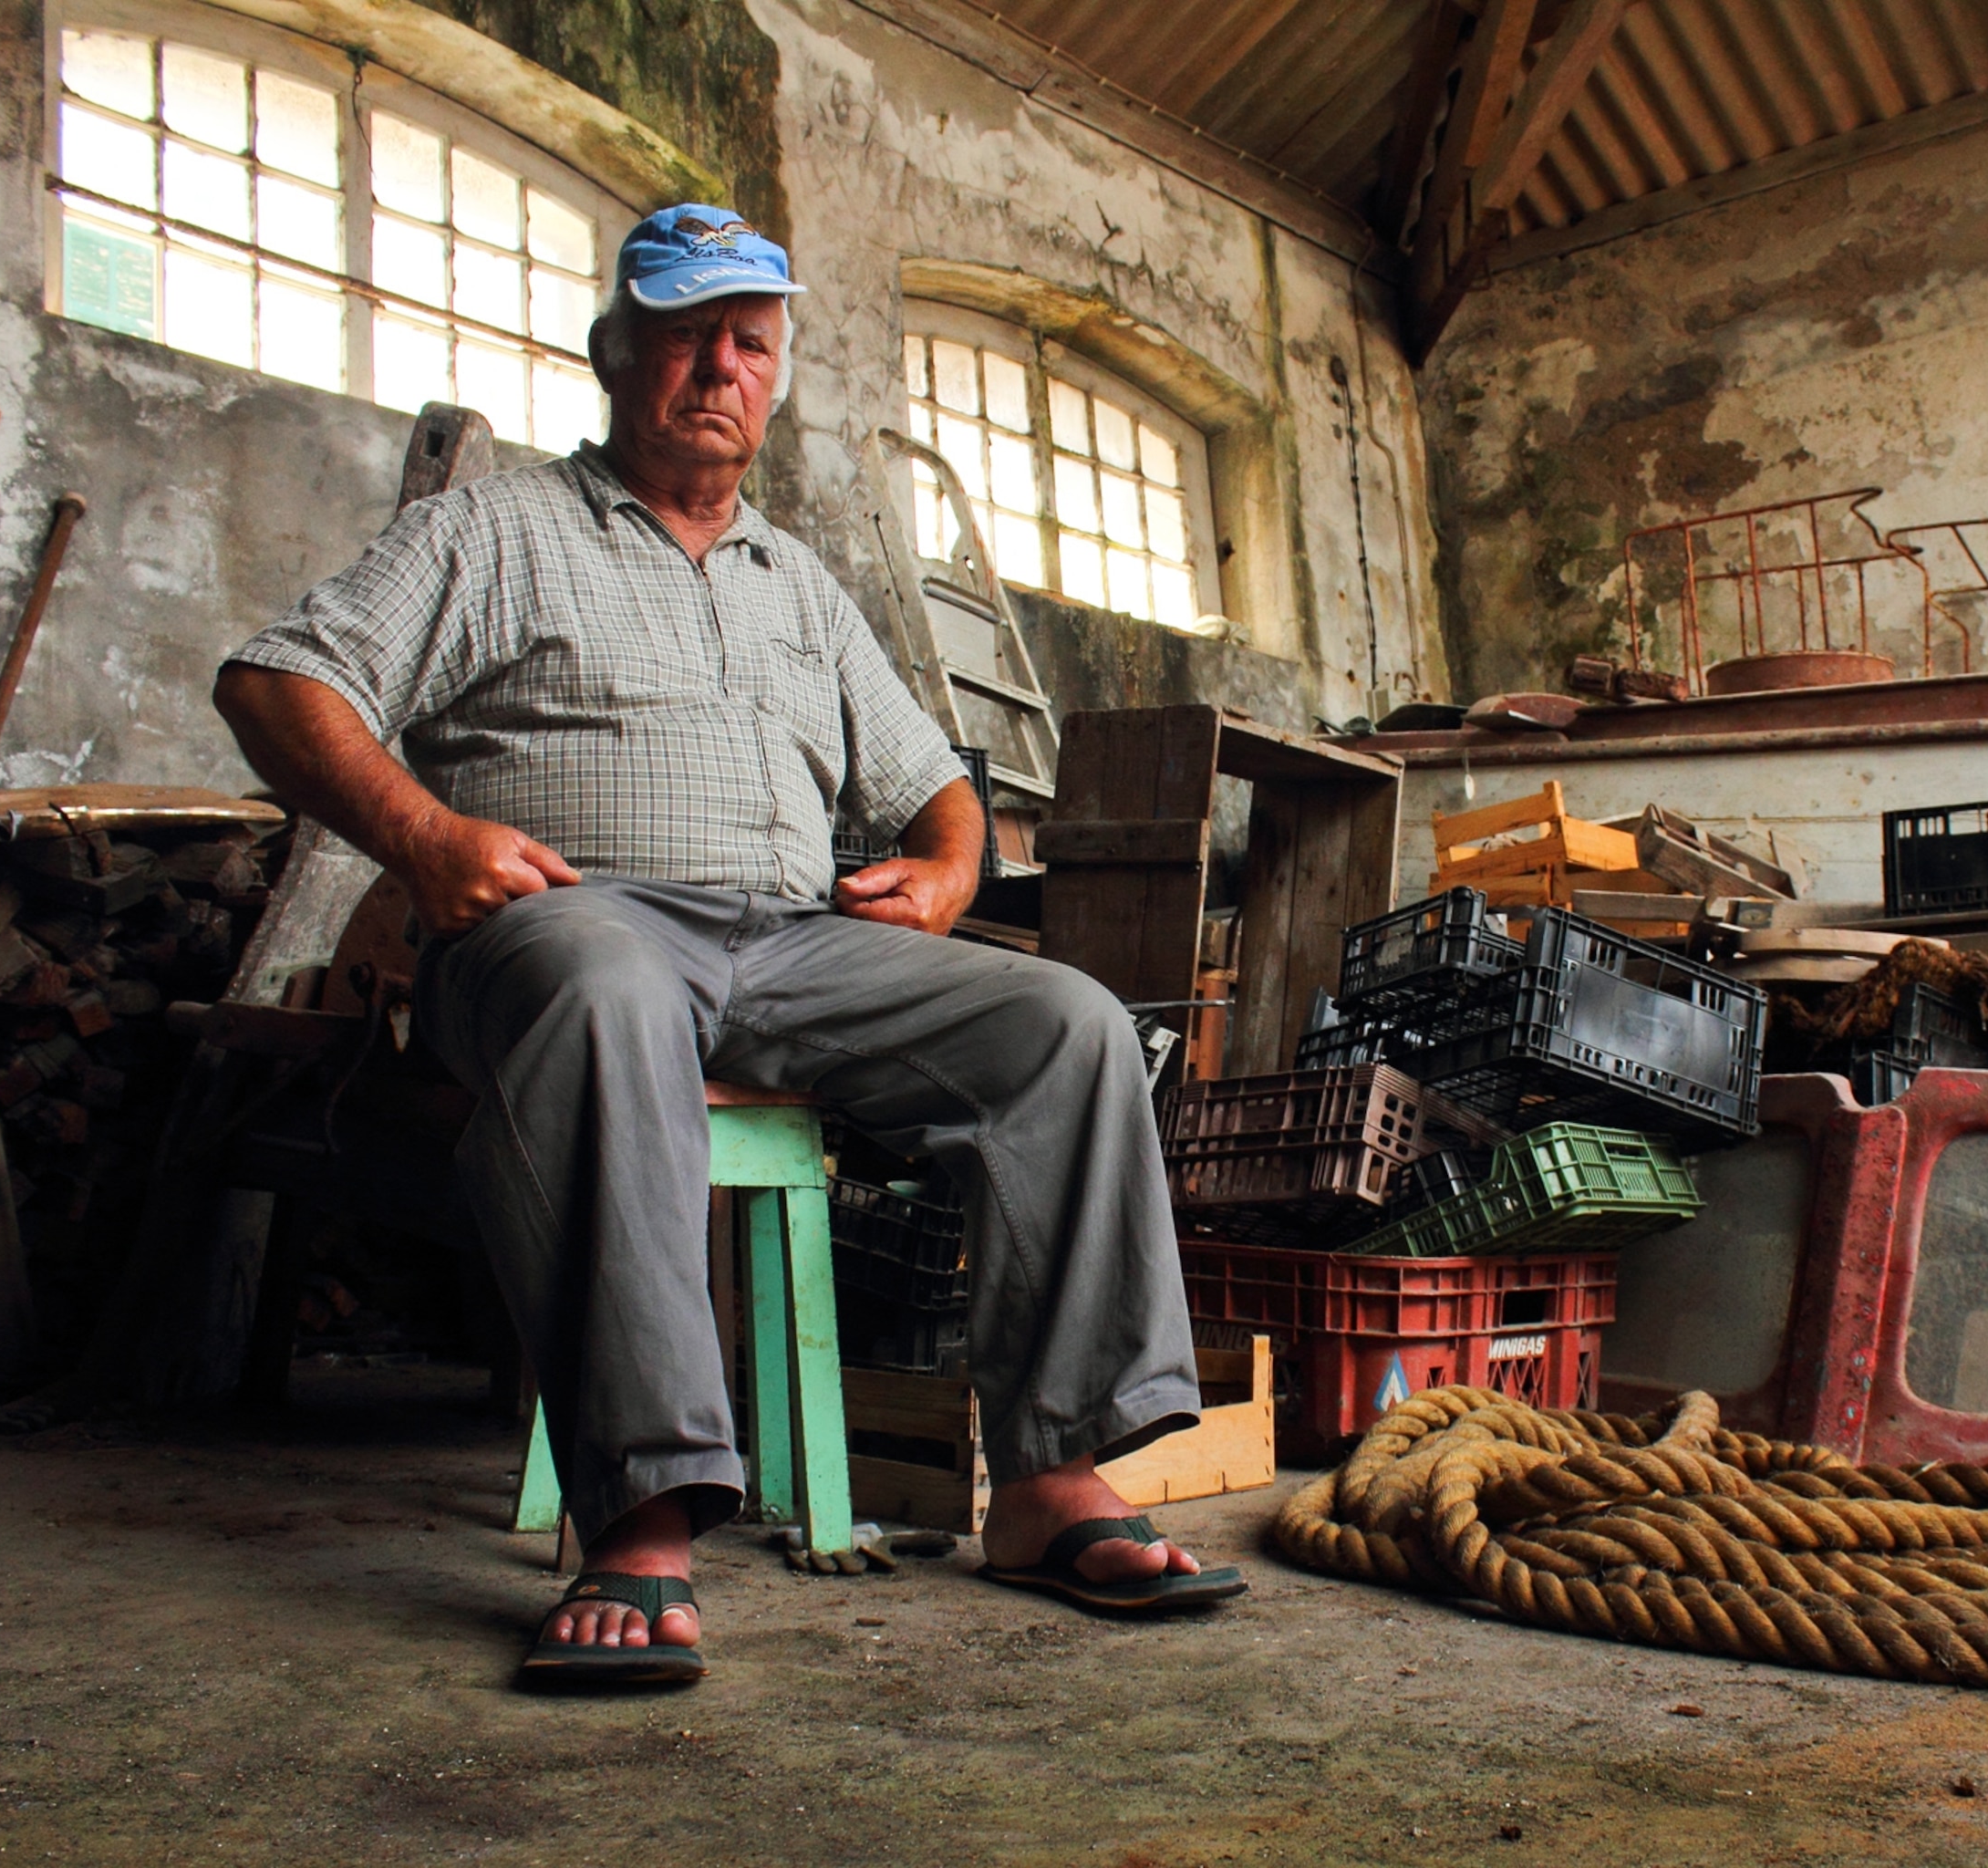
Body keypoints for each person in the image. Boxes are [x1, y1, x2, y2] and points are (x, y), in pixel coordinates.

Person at [213, 203, 1243, 1686]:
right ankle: (642, 1514)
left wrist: (951, 874)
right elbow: (274, 681)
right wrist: (429, 841)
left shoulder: (797, 585)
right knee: (606, 982)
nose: (720, 367)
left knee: (1067, 1026)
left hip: (793, 946)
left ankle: (1051, 1480)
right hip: (573, 925)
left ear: (775, 376)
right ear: (614, 354)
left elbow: (937, 787)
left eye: (749, 343)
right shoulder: (493, 529)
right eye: (685, 335)